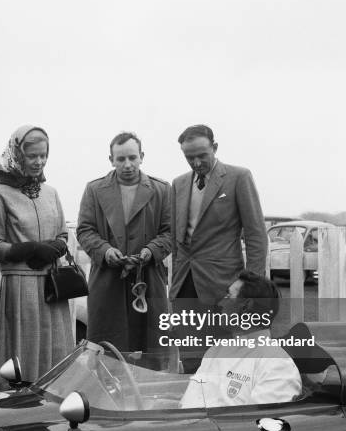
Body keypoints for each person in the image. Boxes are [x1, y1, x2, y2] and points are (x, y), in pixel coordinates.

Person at [0, 125, 74, 384]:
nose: (39, 162)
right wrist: (30, 249)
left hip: (52, 283)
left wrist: (54, 247)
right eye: (32, 156)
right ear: (17, 154)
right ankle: (19, 407)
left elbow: (62, 235)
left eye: (43, 155)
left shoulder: (52, 193)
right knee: (23, 352)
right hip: (21, 283)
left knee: (56, 347)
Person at [77, 132, 171, 352]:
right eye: (120, 159)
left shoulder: (162, 190)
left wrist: (151, 250)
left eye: (132, 157)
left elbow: (170, 232)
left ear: (141, 156)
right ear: (111, 160)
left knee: (152, 347)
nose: (127, 164)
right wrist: (105, 250)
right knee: (106, 348)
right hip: (107, 281)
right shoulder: (94, 189)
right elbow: (84, 230)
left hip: (148, 280)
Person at [171, 124, 267, 306]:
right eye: (189, 158)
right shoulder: (178, 184)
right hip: (184, 284)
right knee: (185, 335)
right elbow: (176, 238)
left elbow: (256, 235)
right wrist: (177, 277)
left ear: (214, 148)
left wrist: (251, 286)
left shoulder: (239, 177)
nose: (196, 163)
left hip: (223, 286)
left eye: (202, 155)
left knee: (220, 335)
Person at [180, 271, 302, 407]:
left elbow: (258, 423)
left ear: (246, 306)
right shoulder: (217, 349)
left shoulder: (277, 364)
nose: (221, 303)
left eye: (228, 296)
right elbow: (188, 404)